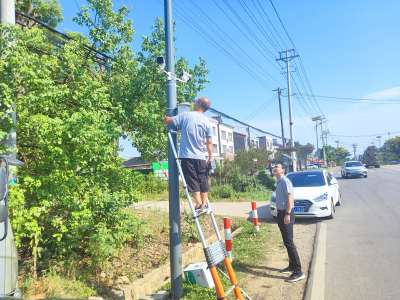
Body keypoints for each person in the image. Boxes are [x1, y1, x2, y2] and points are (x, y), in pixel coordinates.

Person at [163, 97, 213, 217]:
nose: (193, 104)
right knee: (203, 180)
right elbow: (209, 142)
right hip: (201, 157)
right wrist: (210, 158)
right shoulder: (207, 122)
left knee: (192, 180)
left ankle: (198, 206)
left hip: (187, 156)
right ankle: (204, 205)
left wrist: (165, 118)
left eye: (195, 102)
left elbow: (169, 120)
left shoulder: (186, 116)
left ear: (198, 104)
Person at [272, 162, 305, 282]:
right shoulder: (279, 182)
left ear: (283, 170)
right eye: (274, 167)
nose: (274, 169)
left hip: (286, 214)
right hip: (281, 213)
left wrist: (287, 214)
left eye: (277, 167)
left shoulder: (285, 181)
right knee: (286, 242)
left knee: (289, 243)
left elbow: (290, 197)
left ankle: (298, 271)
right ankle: (292, 266)